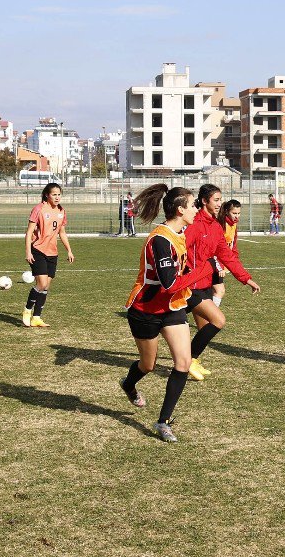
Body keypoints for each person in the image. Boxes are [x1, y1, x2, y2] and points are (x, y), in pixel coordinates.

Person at [120, 184, 211, 443]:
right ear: (181, 209)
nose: (197, 209)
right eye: (193, 205)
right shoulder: (161, 239)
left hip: (172, 308)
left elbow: (175, 286)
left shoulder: (180, 231)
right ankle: (128, 383)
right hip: (146, 309)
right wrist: (204, 271)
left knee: (182, 363)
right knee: (147, 365)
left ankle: (163, 422)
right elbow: (170, 283)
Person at [184, 185, 261, 381]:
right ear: (204, 201)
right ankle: (187, 360)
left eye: (220, 200)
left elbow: (228, 256)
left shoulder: (215, 227)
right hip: (190, 286)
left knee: (204, 326)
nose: (220, 204)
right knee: (218, 321)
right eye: (216, 200)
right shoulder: (194, 224)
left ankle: (192, 360)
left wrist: (246, 278)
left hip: (204, 284)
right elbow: (179, 250)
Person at [22, 183, 74, 328]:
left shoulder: (62, 211)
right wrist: (28, 251)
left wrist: (69, 250)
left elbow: (62, 233)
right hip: (37, 250)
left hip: (53, 252)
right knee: (42, 284)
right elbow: (28, 232)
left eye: (59, 194)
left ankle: (36, 317)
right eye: (54, 194)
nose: (57, 197)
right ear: (47, 195)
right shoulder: (39, 209)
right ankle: (27, 309)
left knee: (46, 287)